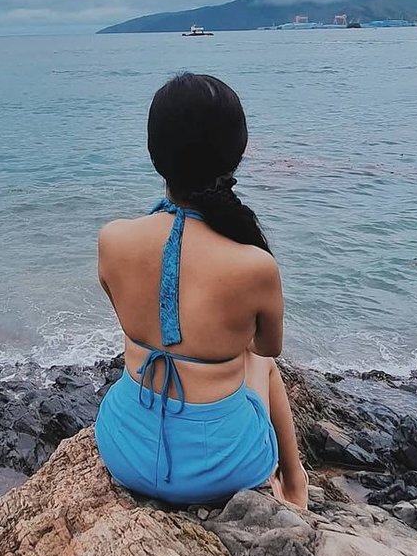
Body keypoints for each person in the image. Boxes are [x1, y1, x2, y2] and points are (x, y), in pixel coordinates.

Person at [94, 72, 309, 510]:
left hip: (123, 450)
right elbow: (268, 347)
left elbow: (126, 314)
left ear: (156, 155)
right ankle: (296, 483)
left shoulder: (112, 239)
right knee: (260, 364)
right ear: (236, 158)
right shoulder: (255, 265)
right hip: (223, 469)